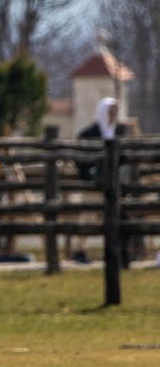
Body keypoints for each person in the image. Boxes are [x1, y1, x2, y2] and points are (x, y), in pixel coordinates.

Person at [72, 97, 127, 264]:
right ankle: (79, 251)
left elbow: (124, 158)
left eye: (115, 112)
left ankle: (116, 251)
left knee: (116, 217)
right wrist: (90, 174)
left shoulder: (119, 132)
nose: (113, 116)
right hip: (93, 184)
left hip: (114, 183)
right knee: (88, 217)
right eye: (110, 112)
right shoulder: (88, 134)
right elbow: (80, 159)